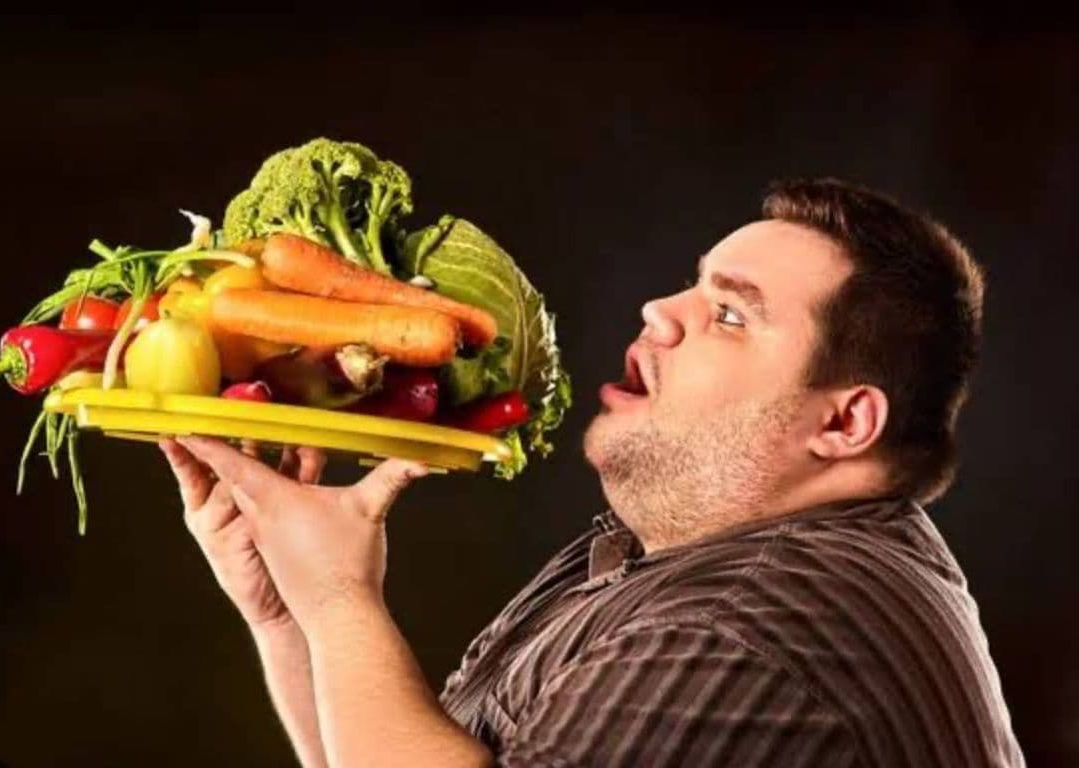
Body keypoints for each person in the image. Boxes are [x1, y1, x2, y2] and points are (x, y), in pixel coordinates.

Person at [159, 178, 1024, 767]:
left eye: (729, 313)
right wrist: (291, 616)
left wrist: (339, 600)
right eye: (694, 284)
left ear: (842, 422)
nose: (660, 310)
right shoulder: (675, 557)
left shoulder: (754, 623)